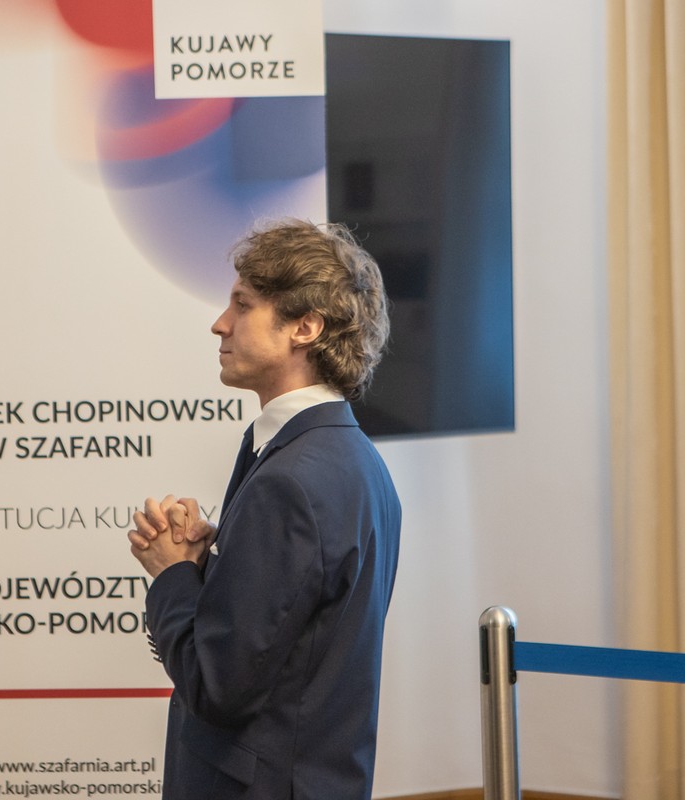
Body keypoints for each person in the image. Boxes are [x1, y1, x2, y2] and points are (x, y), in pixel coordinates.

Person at [127, 219, 401, 800]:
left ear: (305, 327)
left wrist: (172, 572)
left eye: (243, 304)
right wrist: (211, 564)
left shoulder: (291, 480)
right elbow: (291, 643)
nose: (220, 323)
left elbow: (217, 688)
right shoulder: (350, 458)